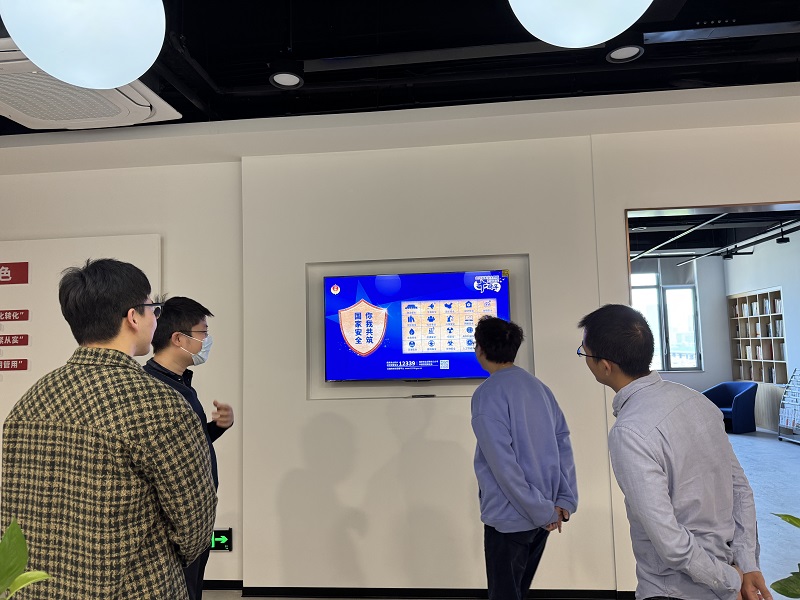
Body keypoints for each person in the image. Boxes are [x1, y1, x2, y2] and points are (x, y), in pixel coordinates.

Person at [1, 258, 217, 599]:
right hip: (134, 588)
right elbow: (195, 525)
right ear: (134, 317)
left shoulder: (30, 401)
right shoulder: (160, 404)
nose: (155, 318)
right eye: (153, 309)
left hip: (35, 589)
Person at [577, 304, 771, 600]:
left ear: (605, 366)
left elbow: (671, 542)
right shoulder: (697, 401)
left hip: (675, 590)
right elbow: (740, 490)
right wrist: (746, 564)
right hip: (724, 576)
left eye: (584, 352)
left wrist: (732, 579)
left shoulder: (629, 432)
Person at [471, 316, 578, 600]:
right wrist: (563, 501)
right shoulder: (539, 388)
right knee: (518, 592)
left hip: (512, 518)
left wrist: (542, 511)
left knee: (505, 595)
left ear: (480, 349)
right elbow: (562, 443)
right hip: (545, 516)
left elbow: (503, 465)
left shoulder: (487, 394)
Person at [143, 296, 234, 600]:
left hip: (193, 522)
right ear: (179, 339)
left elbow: (182, 448)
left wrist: (216, 428)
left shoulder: (180, 383)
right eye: (203, 333)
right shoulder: (154, 389)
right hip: (176, 526)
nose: (207, 340)